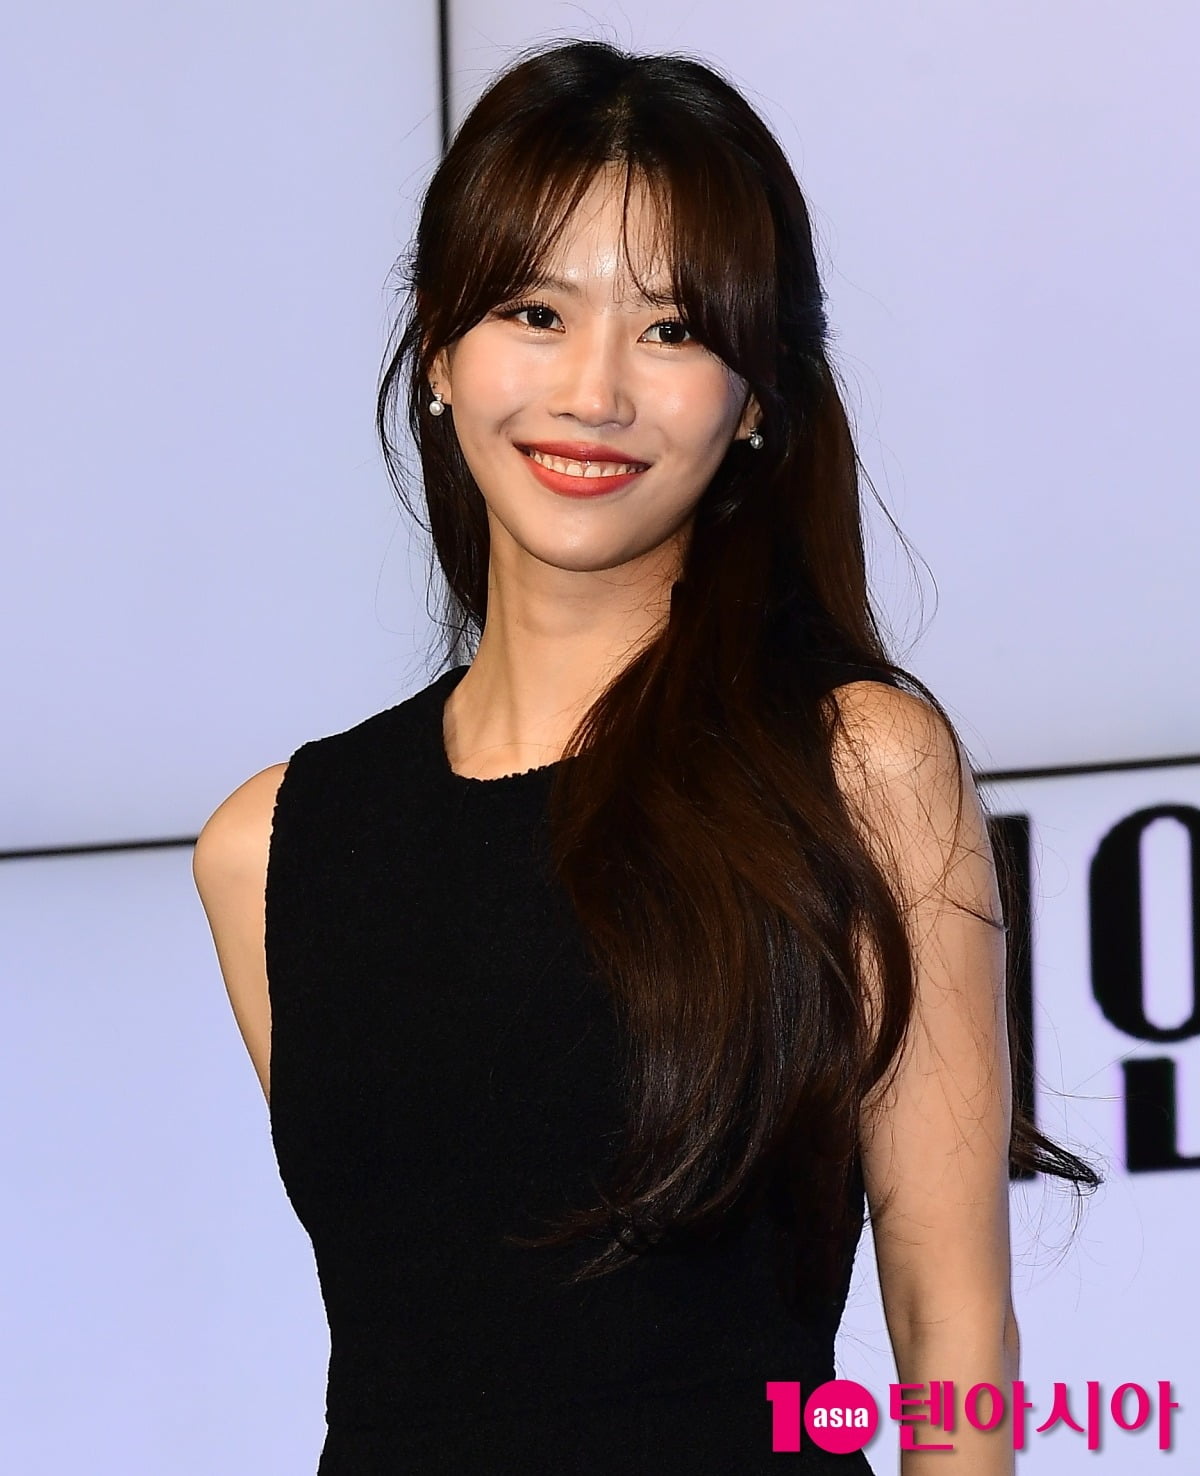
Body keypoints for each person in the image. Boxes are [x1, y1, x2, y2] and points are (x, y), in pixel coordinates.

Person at [192, 39, 1099, 1475]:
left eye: (672, 329)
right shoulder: (270, 848)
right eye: (535, 312)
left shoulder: (857, 768)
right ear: (439, 349)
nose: (593, 392)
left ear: (759, 394)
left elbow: (957, 1333)